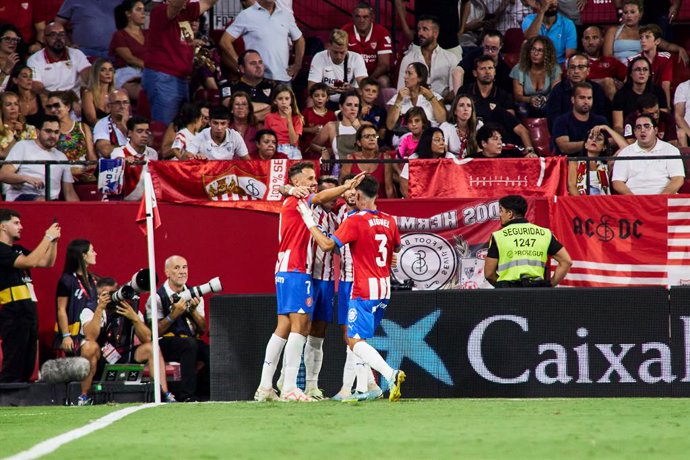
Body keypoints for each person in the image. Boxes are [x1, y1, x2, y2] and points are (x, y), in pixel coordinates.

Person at [254, 164, 364, 402]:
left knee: (284, 327)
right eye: (310, 179)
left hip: (289, 269)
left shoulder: (300, 202)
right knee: (300, 327)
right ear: (298, 184)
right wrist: (347, 185)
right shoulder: (301, 199)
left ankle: (265, 386)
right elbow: (320, 195)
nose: (314, 183)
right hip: (297, 269)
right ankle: (290, 386)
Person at [297, 175, 407, 402]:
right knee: (361, 341)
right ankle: (366, 386)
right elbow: (395, 247)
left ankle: (389, 375)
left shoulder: (355, 220)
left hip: (363, 288)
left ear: (358, 195)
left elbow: (327, 245)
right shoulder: (389, 220)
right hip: (384, 288)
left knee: (354, 340)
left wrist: (309, 222)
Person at [79, 277, 176, 405]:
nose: (111, 297)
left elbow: (147, 338)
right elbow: (90, 336)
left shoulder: (128, 307)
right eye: (106, 294)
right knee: (88, 347)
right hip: (101, 359)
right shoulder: (89, 309)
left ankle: (163, 394)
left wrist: (134, 318)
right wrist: (100, 309)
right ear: (98, 295)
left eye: (114, 292)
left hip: (125, 354)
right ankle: (84, 396)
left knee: (152, 348)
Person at [0, 210, 60, 383]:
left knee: (27, 363)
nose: (21, 227)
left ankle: (20, 398)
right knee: (14, 362)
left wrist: (54, 243)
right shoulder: (1, 250)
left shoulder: (17, 249)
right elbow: (30, 261)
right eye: (16, 223)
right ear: (3, 226)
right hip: (12, 313)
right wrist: (47, 237)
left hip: (29, 312)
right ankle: (6, 397)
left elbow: (47, 262)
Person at [142, 0, 219, 125]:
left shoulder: (185, 14)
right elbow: (176, 5)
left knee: (181, 127)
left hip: (181, 79)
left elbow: (208, 2)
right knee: (166, 127)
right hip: (164, 78)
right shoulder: (160, 11)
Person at [147, 255, 210, 402]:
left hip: (190, 340)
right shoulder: (156, 297)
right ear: (167, 272)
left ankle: (206, 392)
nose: (182, 272)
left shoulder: (195, 294)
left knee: (212, 353)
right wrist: (173, 315)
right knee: (189, 345)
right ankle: (187, 396)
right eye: (177, 268)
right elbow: (153, 332)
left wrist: (193, 311)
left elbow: (202, 329)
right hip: (166, 343)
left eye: (185, 267)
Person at [484, 195, 572, 288]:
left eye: (501, 210)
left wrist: (503, 286)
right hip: (536, 293)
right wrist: (549, 285)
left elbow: (489, 274)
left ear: (510, 214)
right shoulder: (544, 233)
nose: (500, 214)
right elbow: (566, 261)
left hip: (509, 294)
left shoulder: (499, 236)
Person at [220, 0, 305, 85]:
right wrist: (240, 63)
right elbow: (224, 41)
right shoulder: (247, 14)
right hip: (258, 79)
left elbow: (299, 40)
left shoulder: (286, 14)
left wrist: (297, 65)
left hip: (283, 78)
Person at [0, 115, 79, 202]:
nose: (53, 135)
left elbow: (69, 192)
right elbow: (3, 175)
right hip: (22, 198)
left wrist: (80, 212)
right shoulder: (23, 146)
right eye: (48, 131)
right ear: (37, 132)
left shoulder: (62, 157)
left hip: (50, 202)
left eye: (56, 132)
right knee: (41, 201)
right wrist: (26, 178)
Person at [611, 114, 685, 195]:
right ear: (635, 132)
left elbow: (678, 179)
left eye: (647, 126)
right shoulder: (625, 153)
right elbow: (617, 182)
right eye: (638, 127)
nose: (642, 130)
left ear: (656, 130)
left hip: (664, 198)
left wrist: (659, 199)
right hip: (634, 200)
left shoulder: (670, 150)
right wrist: (635, 200)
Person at [396, 15, 457, 102]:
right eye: (419, 29)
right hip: (414, 106)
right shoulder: (408, 59)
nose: (420, 33)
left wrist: (436, 104)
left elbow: (453, 91)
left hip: (442, 105)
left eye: (425, 29)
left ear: (436, 33)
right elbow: (401, 90)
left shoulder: (451, 58)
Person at [545, 53, 610, 131]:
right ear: (568, 71)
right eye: (572, 67)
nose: (576, 71)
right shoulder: (558, 90)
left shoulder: (596, 90)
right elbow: (553, 121)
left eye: (581, 67)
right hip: (565, 135)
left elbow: (602, 117)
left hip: (592, 135)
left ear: (588, 71)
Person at [54, 240, 98, 356]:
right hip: (73, 336)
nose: (95, 254)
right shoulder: (67, 280)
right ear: (83, 255)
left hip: (90, 332)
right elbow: (61, 309)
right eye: (92, 251)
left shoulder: (93, 279)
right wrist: (66, 336)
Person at [26, 22, 91, 97]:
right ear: (44, 39)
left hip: (74, 101)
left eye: (61, 34)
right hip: (49, 101)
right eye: (53, 35)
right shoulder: (34, 60)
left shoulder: (77, 54)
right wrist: (59, 100)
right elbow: (37, 87)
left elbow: (89, 77)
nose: (58, 38)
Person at [308, 29, 368, 109]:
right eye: (335, 52)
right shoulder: (319, 57)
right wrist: (327, 90)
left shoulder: (356, 58)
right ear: (328, 46)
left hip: (350, 100)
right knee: (310, 101)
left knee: (364, 101)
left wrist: (352, 89)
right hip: (326, 99)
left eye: (342, 52)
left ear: (347, 47)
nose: (339, 56)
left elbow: (365, 88)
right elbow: (311, 88)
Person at [46, 91, 97, 182]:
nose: (53, 110)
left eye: (56, 105)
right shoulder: (46, 131)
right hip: (57, 176)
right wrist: (68, 173)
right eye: (49, 107)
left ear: (68, 107)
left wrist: (88, 171)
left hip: (82, 175)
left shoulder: (82, 127)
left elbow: (91, 156)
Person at [309, 91, 363, 174]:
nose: (353, 108)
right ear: (341, 107)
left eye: (356, 105)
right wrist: (323, 150)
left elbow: (375, 149)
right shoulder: (331, 126)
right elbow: (313, 144)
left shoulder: (365, 126)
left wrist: (359, 128)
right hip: (339, 170)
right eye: (349, 105)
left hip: (360, 169)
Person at [341, 2, 393, 87]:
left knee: (384, 81)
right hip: (351, 75)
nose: (361, 20)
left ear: (372, 18)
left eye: (365, 17)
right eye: (358, 16)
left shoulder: (382, 32)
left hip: (374, 76)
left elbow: (384, 64)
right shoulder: (344, 31)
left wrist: (367, 81)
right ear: (353, 17)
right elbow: (338, 57)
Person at [612, 56, 667, 135]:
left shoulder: (658, 92)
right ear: (630, 73)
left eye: (645, 69)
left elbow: (663, 119)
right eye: (638, 69)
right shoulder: (621, 95)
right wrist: (635, 134)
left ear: (649, 74)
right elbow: (617, 127)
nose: (642, 72)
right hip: (630, 135)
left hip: (655, 134)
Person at [551, 82, 609, 156]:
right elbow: (564, 147)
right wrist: (591, 143)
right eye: (582, 98)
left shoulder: (601, 121)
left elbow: (611, 141)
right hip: (569, 164)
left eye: (589, 98)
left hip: (596, 164)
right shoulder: (561, 121)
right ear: (573, 99)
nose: (586, 102)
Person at [386, 62, 446, 133]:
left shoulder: (434, 96)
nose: (405, 77)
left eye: (409, 73)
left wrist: (431, 98)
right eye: (406, 73)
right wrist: (398, 100)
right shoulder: (398, 97)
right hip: (405, 136)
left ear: (420, 78)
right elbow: (389, 126)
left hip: (429, 136)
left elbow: (442, 120)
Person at [510, 35, 561, 118]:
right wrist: (530, 100)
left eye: (540, 50)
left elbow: (555, 92)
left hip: (547, 101)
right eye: (533, 49)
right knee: (521, 109)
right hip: (526, 102)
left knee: (553, 107)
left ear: (547, 53)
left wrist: (545, 99)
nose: (535, 53)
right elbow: (517, 96)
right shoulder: (519, 68)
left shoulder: (554, 68)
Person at [568, 126, 627, 196]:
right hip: (582, 203)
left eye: (599, 139)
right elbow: (572, 186)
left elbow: (625, 148)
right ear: (585, 145)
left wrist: (606, 128)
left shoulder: (607, 164)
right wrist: (583, 204)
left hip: (603, 204)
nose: (594, 140)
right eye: (590, 138)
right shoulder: (575, 161)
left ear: (604, 147)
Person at [400, 127, 456, 198]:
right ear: (427, 142)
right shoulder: (414, 158)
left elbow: (456, 184)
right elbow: (403, 185)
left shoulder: (449, 158)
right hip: (418, 201)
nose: (442, 143)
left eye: (443, 140)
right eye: (437, 140)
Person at [340, 124, 394, 198]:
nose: (371, 139)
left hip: (380, 204)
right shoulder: (350, 159)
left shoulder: (385, 158)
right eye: (367, 136)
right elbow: (343, 188)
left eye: (374, 136)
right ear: (359, 142)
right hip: (356, 205)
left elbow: (389, 188)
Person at [111, 116, 158, 201]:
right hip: (123, 203)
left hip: (146, 203)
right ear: (129, 133)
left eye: (147, 132)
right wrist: (123, 162)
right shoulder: (118, 152)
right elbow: (112, 180)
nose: (144, 135)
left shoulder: (153, 154)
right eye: (139, 131)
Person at [452, 29, 512, 95]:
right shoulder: (473, 54)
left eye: (494, 48)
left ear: (500, 46)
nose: (489, 52)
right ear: (483, 43)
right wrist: (458, 98)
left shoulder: (504, 69)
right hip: (470, 95)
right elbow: (458, 71)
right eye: (486, 47)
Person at [55, 0, 120, 59]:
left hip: (115, 52)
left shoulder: (121, 1)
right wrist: (68, 44)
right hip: (83, 52)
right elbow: (58, 24)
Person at [627, 24, 673, 109]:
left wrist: (667, 106)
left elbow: (665, 84)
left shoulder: (666, 58)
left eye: (647, 37)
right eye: (641, 37)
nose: (643, 41)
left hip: (658, 96)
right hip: (639, 97)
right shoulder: (633, 60)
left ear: (657, 41)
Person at [221, 49, 273, 121]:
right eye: (253, 63)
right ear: (242, 68)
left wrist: (248, 117)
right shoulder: (229, 86)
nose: (258, 66)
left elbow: (279, 110)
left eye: (260, 62)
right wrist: (266, 106)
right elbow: (229, 105)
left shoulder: (273, 85)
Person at [109, 0, 147, 100]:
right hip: (127, 72)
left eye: (143, 9)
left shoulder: (148, 34)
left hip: (148, 72)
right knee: (145, 92)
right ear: (128, 13)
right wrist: (151, 67)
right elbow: (129, 59)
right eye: (138, 10)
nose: (143, 13)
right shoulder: (119, 35)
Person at [522, 0, 576, 64]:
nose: (552, 2)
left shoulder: (568, 24)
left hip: (558, 65)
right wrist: (541, 11)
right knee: (525, 43)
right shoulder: (529, 19)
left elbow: (569, 57)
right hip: (536, 64)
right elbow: (530, 38)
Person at [581, 25, 627, 101]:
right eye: (587, 38)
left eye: (595, 38)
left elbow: (629, 77)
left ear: (602, 40)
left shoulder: (611, 61)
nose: (591, 42)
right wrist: (605, 82)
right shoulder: (576, 61)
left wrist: (622, 84)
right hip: (584, 97)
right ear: (582, 41)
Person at [263, 85, 303, 159]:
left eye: (287, 99)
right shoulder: (269, 117)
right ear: (275, 101)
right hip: (275, 149)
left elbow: (293, 141)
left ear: (291, 100)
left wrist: (289, 119)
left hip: (293, 149)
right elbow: (266, 138)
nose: (284, 102)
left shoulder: (297, 118)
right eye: (280, 99)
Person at [440, 93, 482, 157]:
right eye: (461, 105)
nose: (466, 109)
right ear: (455, 111)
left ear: (472, 110)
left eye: (469, 105)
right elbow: (443, 153)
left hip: (473, 163)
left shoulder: (479, 126)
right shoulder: (446, 126)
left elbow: (481, 153)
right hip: (452, 164)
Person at [301, 83, 336, 159]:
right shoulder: (306, 112)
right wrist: (310, 130)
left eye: (323, 96)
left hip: (328, 149)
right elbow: (298, 129)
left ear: (327, 98)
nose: (320, 98)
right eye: (316, 96)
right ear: (311, 97)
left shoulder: (332, 115)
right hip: (310, 149)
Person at [93, 89, 130, 158]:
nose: (122, 106)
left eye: (125, 102)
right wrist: (131, 151)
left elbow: (145, 145)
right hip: (113, 165)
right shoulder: (102, 124)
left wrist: (123, 126)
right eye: (117, 103)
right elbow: (105, 150)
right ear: (109, 106)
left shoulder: (136, 122)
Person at [0, 92, 37, 160]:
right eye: (8, 105)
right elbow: (2, 155)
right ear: (1, 109)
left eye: (16, 104)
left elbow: (35, 154)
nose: (13, 108)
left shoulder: (30, 129)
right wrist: (17, 136)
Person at [471, 123, 538, 158]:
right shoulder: (471, 160)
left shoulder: (510, 157)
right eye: (495, 139)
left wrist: (530, 156)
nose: (500, 142)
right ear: (484, 143)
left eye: (500, 139)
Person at [81, 59, 115, 127]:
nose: (108, 73)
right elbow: (92, 120)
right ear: (96, 73)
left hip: (112, 132)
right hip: (92, 132)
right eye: (103, 70)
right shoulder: (88, 94)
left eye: (110, 70)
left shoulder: (115, 95)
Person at [228, 91, 259, 158]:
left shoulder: (258, 128)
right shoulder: (225, 128)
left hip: (253, 165)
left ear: (249, 109)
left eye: (244, 104)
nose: (240, 107)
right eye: (237, 104)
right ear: (231, 109)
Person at [0, 24, 21, 93]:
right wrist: (6, 69)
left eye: (15, 39)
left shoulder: (21, 62)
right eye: (7, 39)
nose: (12, 42)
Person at [674, 78, 690, 147]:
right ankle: (685, 158)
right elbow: (678, 116)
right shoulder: (683, 87)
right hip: (688, 131)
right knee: (680, 133)